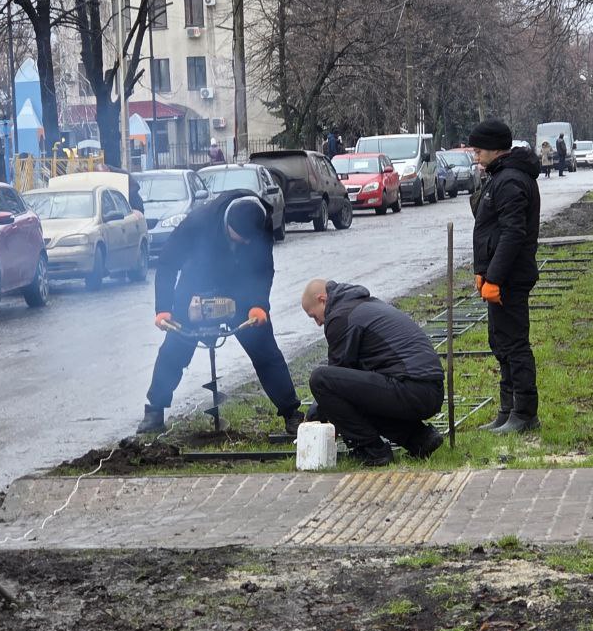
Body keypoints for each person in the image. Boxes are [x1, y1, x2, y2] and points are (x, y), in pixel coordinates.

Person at [138, 193, 304, 436]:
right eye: (241, 239)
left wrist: (258, 304)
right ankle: (154, 411)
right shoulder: (198, 222)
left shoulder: (261, 220)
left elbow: (263, 268)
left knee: (264, 348)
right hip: (196, 287)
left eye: (250, 240)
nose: (246, 244)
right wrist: (163, 308)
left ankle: (291, 412)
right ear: (227, 226)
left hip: (241, 292)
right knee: (175, 349)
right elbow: (167, 263)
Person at [301, 279, 444, 466]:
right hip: (429, 389)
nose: (318, 323)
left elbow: (335, 377)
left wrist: (314, 418)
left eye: (314, 316)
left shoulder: (339, 317)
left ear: (322, 299)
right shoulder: (363, 303)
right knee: (356, 390)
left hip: (412, 388)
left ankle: (371, 450)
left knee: (320, 379)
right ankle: (419, 439)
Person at [468, 119, 542, 435]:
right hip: (498, 277)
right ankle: (507, 410)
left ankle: (524, 414)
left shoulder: (510, 181)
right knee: (500, 342)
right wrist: (481, 273)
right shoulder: (499, 177)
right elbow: (490, 228)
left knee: (514, 345)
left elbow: (513, 234)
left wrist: (495, 277)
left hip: (510, 278)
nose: (475, 155)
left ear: (496, 149)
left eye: (479, 150)